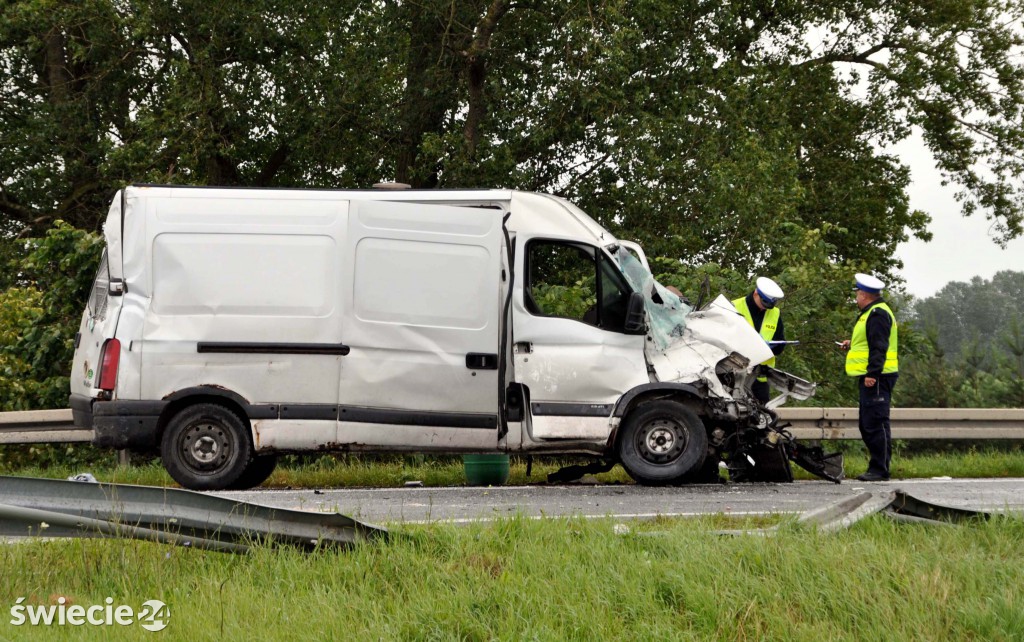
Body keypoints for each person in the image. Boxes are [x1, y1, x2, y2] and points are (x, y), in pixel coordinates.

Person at [839, 273, 899, 482]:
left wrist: (873, 374)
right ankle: (877, 467)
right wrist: (851, 344)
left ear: (864, 294)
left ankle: (880, 469)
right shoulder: (871, 313)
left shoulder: (877, 314)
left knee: (876, 423)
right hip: (873, 375)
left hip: (878, 377)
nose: (856, 297)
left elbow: (879, 346)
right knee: (868, 423)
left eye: (857, 294)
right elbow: (869, 342)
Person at [732, 277, 786, 404]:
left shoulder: (775, 313)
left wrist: (771, 346)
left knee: (762, 417)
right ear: (756, 293)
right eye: (763, 304)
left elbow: (780, 344)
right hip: (734, 375)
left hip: (760, 377)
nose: (764, 309)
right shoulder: (734, 306)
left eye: (768, 307)